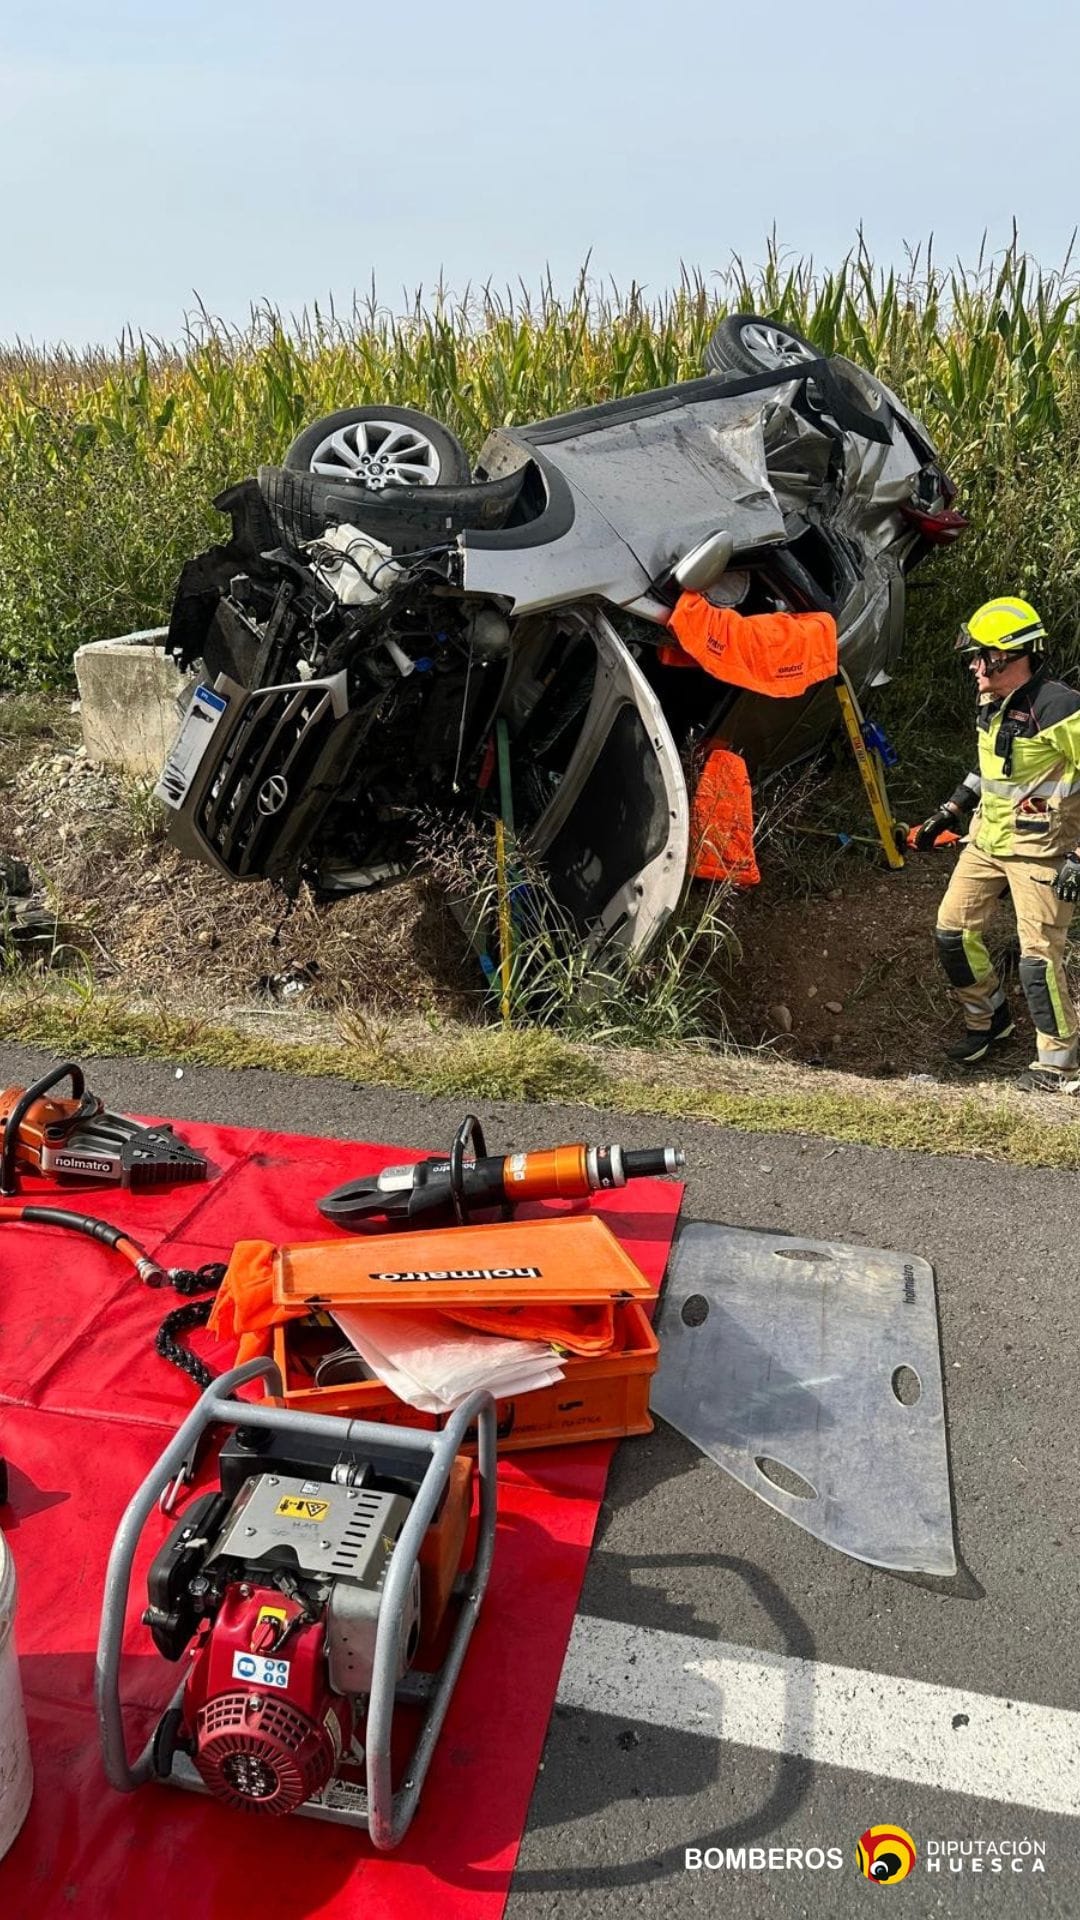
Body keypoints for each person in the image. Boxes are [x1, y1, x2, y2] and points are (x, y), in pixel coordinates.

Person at [913, 597, 1080, 1092]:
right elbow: (991, 768)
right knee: (952, 933)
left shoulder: (1061, 708)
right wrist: (951, 808)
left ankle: (1059, 1066)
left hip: (1043, 852)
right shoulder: (992, 702)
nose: (973, 665)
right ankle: (990, 1023)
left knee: (1038, 958)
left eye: (980, 654)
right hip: (986, 841)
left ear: (1008, 657)